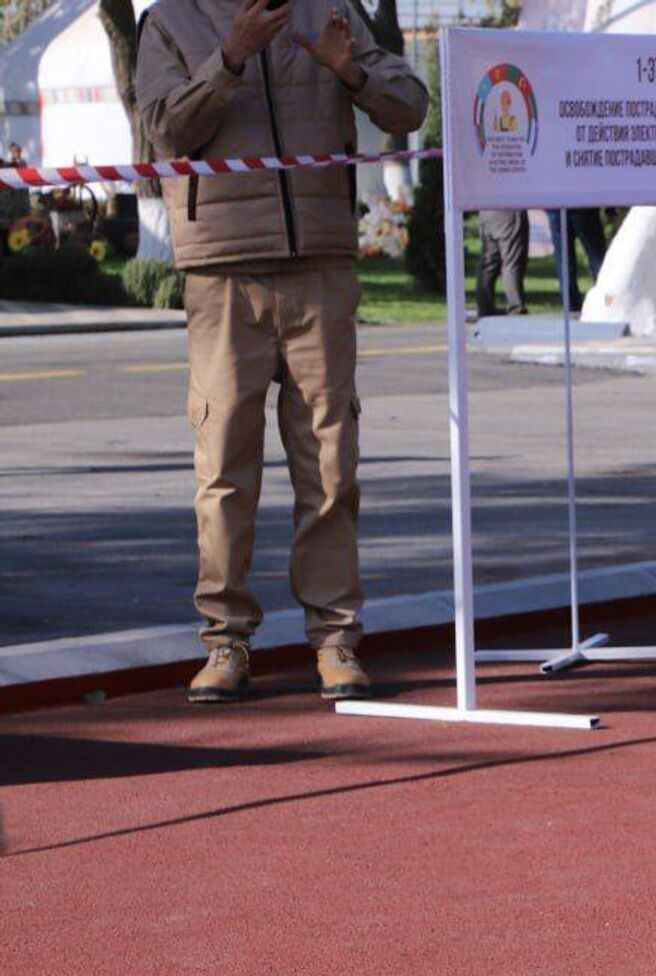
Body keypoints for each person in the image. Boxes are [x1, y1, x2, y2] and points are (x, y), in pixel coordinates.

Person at [136, 0, 427, 703]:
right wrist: (230, 58)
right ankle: (226, 642)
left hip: (321, 264)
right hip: (224, 270)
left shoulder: (331, 11)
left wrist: (348, 68)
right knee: (224, 466)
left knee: (330, 463)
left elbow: (410, 106)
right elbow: (163, 132)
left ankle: (335, 641)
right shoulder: (170, 20)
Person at [475, 209, 529, 318]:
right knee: (512, 261)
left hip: (486, 209)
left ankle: (485, 307)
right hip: (508, 207)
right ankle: (516, 307)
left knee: (488, 263)